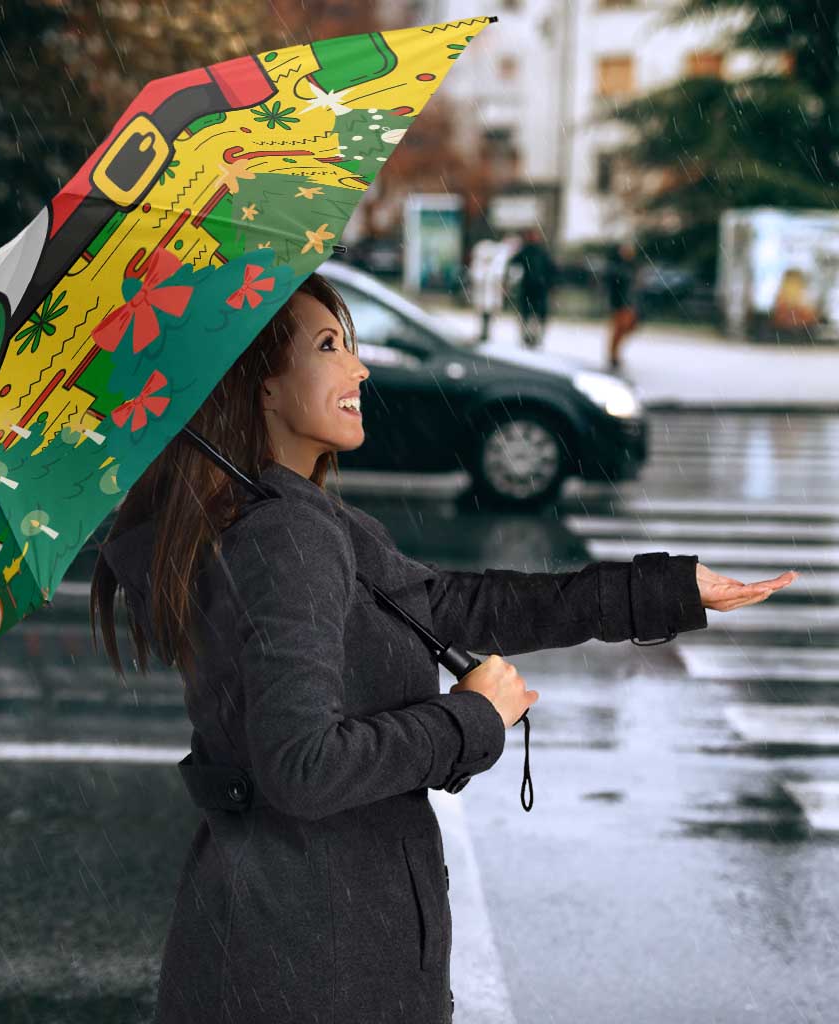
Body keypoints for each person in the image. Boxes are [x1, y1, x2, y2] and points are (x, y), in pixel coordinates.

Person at [91, 272, 796, 1024]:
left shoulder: (295, 520)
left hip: (296, 943)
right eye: (329, 346)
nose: (359, 368)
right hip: (311, 962)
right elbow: (302, 767)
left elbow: (459, 605)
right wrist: (470, 719)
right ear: (260, 388)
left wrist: (664, 590)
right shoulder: (284, 536)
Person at [507, 226, 557, 349]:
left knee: (535, 315)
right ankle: (528, 337)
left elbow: (551, 270)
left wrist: (550, 284)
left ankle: (534, 337)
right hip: (530, 288)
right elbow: (513, 264)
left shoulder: (540, 252)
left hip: (538, 288)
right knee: (528, 314)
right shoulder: (527, 251)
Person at [605, 240, 641, 371]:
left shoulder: (632, 266)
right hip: (620, 303)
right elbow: (614, 286)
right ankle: (613, 355)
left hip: (629, 303)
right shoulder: (617, 267)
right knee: (619, 329)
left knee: (628, 328)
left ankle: (615, 354)